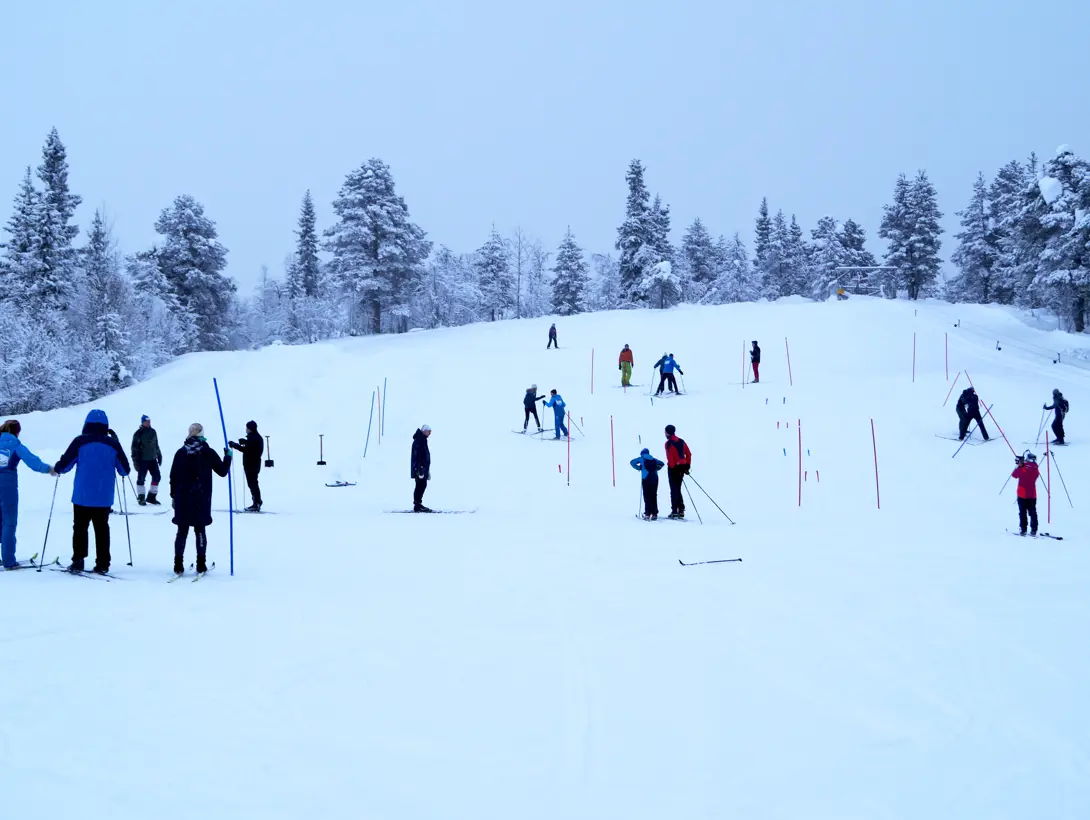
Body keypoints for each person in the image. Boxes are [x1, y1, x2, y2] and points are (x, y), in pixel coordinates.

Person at [53, 409, 131, 574]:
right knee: (102, 528)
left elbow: (65, 465)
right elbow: (124, 470)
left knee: (80, 528)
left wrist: (58, 468)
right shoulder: (113, 444)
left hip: (82, 495)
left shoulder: (79, 442)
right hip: (104, 496)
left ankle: (78, 560)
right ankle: (103, 563)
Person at [169, 423, 232, 575]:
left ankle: (178, 565)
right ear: (202, 434)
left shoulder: (180, 453)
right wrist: (228, 457)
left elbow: (173, 476)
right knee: (200, 530)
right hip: (201, 498)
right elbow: (222, 471)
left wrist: (173, 495)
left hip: (182, 498)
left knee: (182, 531)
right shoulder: (208, 452)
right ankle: (201, 564)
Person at [0, 420, 55, 569]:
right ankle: (8, 560)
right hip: (7, 487)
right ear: (16, 432)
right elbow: (33, 462)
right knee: (8, 522)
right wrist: (49, 469)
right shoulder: (16, 445)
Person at [228, 421, 264, 512]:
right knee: (252, 483)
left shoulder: (254, 438)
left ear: (250, 428)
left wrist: (235, 445)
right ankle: (257, 502)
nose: (246, 429)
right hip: (253, 464)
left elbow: (247, 450)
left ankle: (256, 503)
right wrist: (245, 442)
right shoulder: (255, 437)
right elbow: (250, 447)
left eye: (247, 428)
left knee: (253, 483)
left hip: (252, 464)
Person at [131, 414, 163, 505]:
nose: (148, 423)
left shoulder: (153, 432)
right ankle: (141, 497)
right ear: (142, 422)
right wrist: (135, 461)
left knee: (157, 477)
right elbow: (134, 448)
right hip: (142, 460)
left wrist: (159, 454)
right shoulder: (138, 434)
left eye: (149, 421)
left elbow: (156, 444)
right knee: (141, 479)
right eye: (146, 421)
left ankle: (151, 497)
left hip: (152, 459)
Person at [663, 424, 692, 519]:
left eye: (665, 432)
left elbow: (670, 458)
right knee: (678, 488)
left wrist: (673, 467)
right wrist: (687, 466)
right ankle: (681, 510)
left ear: (668, 433)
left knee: (673, 489)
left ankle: (675, 510)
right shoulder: (681, 441)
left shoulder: (668, 444)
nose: (664, 433)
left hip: (673, 468)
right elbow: (688, 454)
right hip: (682, 468)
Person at [630, 447, 664, 520]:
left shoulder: (641, 458)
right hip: (655, 478)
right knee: (654, 495)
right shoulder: (654, 459)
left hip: (646, 479)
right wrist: (657, 468)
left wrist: (639, 468)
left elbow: (632, 462)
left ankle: (647, 514)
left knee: (647, 496)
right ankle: (654, 513)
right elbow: (662, 463)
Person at [1011, 452, 1041, 536]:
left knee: (1022, 512)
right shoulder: (1035, 468)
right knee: (1033, 512)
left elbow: (1014, 475)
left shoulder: (1023, 468)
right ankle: (1034, 529)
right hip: (1032, 494)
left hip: (1022, 494)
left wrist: (1019, 466)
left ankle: (1023, 529)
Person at [411, 425, 432, 512]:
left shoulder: (422, 439)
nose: (430, 433)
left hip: (422, 468)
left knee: (422, 485)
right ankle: (417, 504)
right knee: (420, 485)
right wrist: (420, 469)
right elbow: (418, 456)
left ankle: (418, 504)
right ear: (424, 431)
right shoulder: (419, 440)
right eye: (428, 431)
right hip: (420, 469)